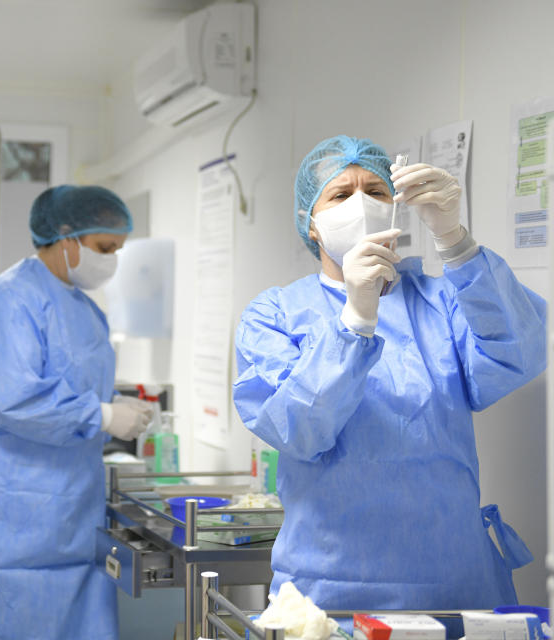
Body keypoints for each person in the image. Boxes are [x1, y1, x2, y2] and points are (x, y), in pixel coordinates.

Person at [232, 135, 545, 609]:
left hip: (454, 581)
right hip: (330, 586)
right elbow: (297, 430)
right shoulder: (276, 313)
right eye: (340, 194)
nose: (361, 204)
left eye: (376, 191)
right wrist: (355, 320)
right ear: (309, 223)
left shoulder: (440, 301)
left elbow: (518, 354)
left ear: (396, 206)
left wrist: (456, 242)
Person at [0, 185, 154, 640]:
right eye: (104, 248)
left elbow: (77, 392)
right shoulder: (10, 298)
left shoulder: (86, 310)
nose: (112, 261)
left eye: (118, 250)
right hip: (0, 509)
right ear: (67, 236)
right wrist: (103, 416)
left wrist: (110, 410)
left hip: (67, 511)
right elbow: (16, 399)